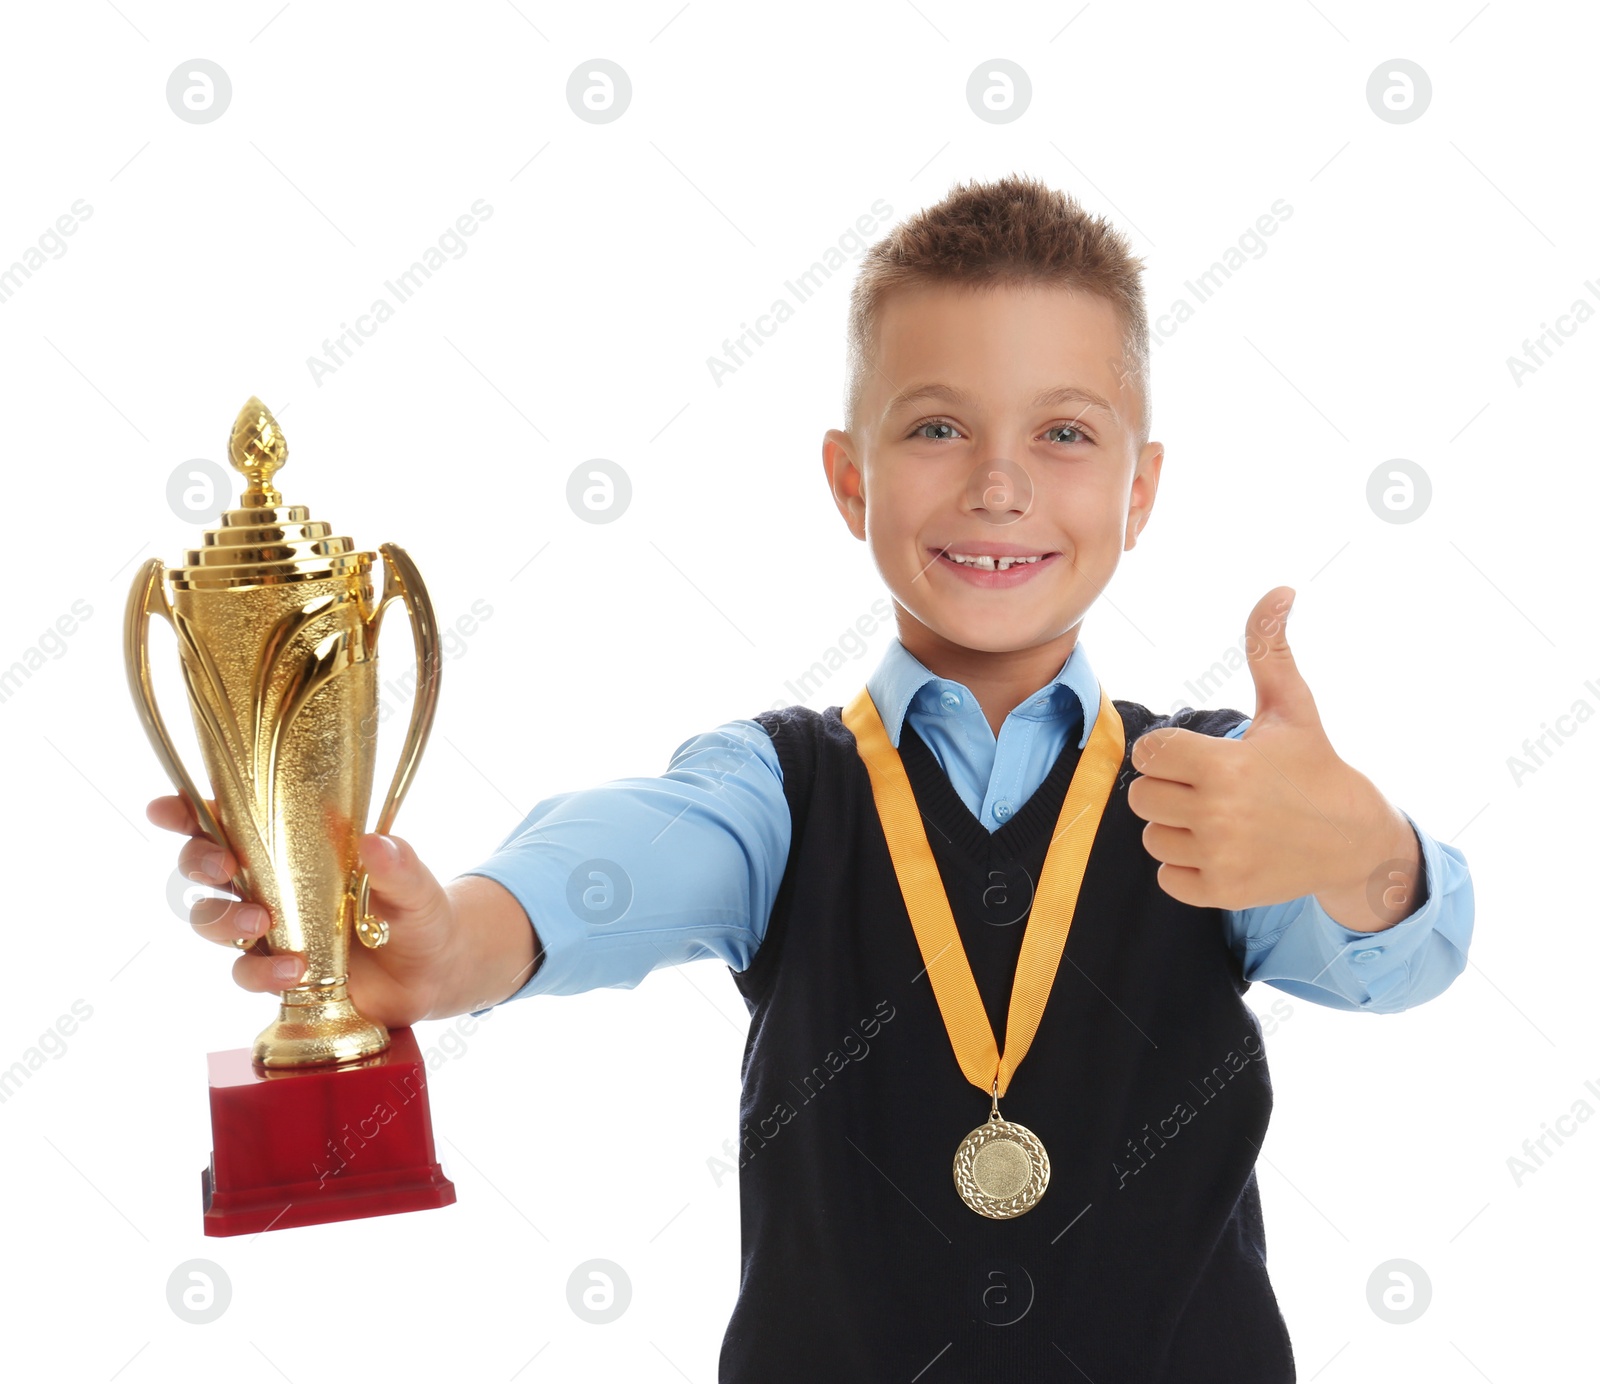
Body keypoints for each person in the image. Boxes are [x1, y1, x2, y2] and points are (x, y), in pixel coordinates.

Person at [149, 174, 1474, 1382]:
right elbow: (602, 869)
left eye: (1067, 434)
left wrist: (1368, 852)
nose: (1001, 484)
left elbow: (1410, 958)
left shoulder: (1221, 795)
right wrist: (443, 946)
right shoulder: (779, 793)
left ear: (1142, 493)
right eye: (939, 427)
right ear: (850, 479)